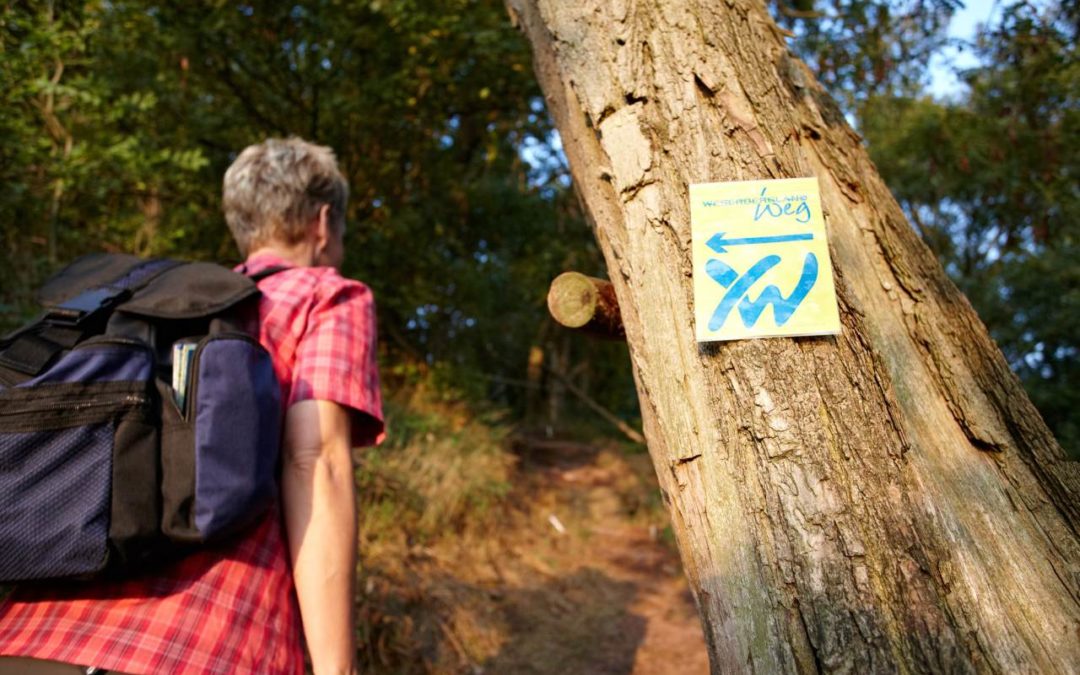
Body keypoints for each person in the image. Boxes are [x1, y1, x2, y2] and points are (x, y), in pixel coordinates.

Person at [0, 137, 384, 675]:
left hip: (31, 634)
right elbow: (314, 461)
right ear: (323, 223)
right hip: (200, 643)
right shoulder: (326, 295)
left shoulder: (157, 303)